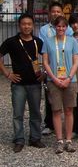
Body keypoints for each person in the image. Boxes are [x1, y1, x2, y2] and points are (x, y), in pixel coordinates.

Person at [0, 14, 46, 153]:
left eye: (29, 24)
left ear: (32, 26)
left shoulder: (38, 42)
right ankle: (19, 139)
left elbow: (48, 58)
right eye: (24, 24)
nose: (26, 26)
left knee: (35, 112)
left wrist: (45, 73)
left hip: (35, 83)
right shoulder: (11, 42)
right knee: (18, 113)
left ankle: (35, 138)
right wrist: (7, 73)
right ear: (19, 25)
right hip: (18, 84)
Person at [42, 16, 78, 154]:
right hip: (54, 81)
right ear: (54, 27)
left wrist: (69, 78)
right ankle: (59, 140)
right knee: (56, 110)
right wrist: (54, 78)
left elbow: (76, 61)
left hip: (70, 81)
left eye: (63, 26)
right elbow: (45, 62)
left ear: (67, 28)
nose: (61, 29)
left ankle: (69, 140)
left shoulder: (72, 41)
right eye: (58, 26)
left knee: (69, 110)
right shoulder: (47, 42)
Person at [39, 2, 73, 135]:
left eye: (58, 11)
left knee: (69, 102)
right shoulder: (44, 30)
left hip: (66, 66)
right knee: (51, 99)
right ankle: (49, 124)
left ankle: (70, 127)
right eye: (53, 11)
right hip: (51, 66)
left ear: (62, 13)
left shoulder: (68, 29)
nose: (55, 14)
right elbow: (43, 50)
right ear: (49, 13)